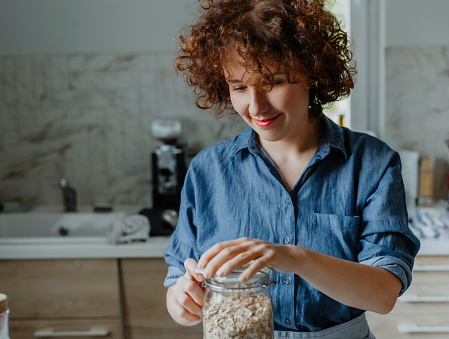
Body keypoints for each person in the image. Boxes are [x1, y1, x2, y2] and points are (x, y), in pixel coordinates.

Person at [164, 0, 420, 337]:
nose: (255, 106)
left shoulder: (371, 163)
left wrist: (295, 258)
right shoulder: (207, 170)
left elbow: (384, 294)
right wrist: (181, 301)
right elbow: (179, 282)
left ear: (311, 72)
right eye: (239, 87)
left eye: (272, 83)